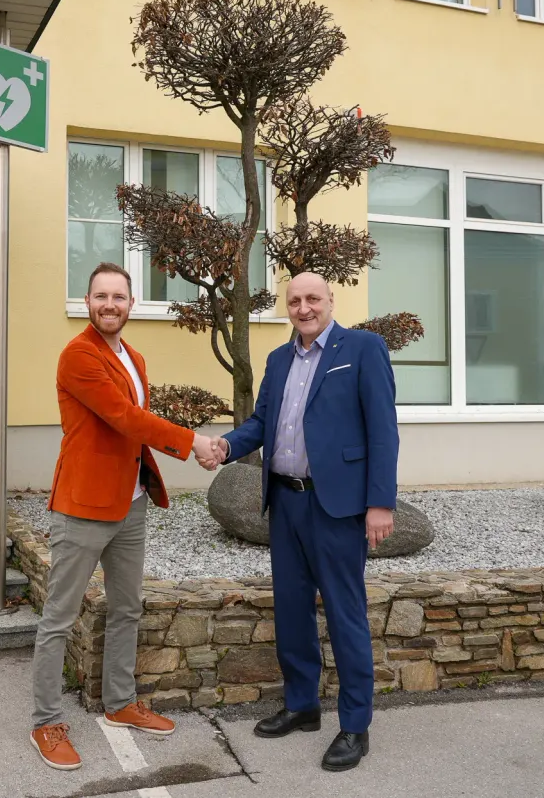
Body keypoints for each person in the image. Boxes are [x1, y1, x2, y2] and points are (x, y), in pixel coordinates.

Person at [30, 261, 224, 771]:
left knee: (127, 608)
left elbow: (133, 431)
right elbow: (123, 417)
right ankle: (46, 720)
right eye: (100, 297)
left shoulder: (133, 356)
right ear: (87, 302)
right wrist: (194, 442)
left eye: (118, 296)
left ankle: (119, 704)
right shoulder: (78, 356)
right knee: (59, 617)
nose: (109, 305)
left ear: (131, 303)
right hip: (83, 507)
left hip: (130, 504)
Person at [211, 272, 398, 773]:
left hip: (336, 506)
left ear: (330, 301)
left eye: (312, 298)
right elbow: (262, 422)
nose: (304, 307)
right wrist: (229, 446)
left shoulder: (363, 348)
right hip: (286, 503)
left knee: (345, 613)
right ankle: (303, 704)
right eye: (294, 300)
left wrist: (381, 502)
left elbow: (383, 430)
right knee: (292, 610)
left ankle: (355, 725)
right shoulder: (278, 359)